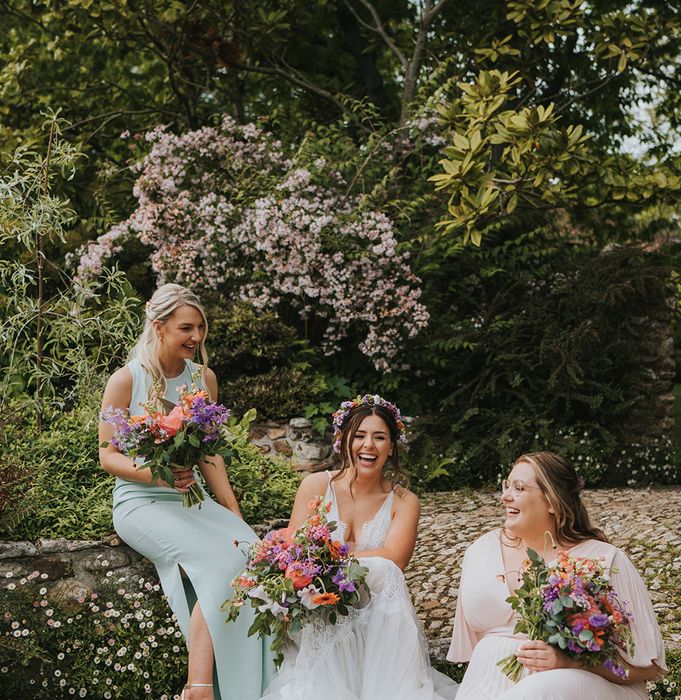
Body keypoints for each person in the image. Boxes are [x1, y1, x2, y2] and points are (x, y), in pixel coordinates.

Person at [98, 283, 273, 700]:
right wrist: (155, 475)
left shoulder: (203, 379)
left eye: (200, 328)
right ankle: (200, 687)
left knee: (250, 551)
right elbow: (108, 456)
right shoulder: (125, 380)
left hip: (193, 497)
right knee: (217, 564)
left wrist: (232, 509)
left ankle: (254, 683)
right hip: (140, 502)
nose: (196, 337)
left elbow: (209, 455)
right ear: (159, 327)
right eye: (186, 328)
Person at [260, 395, 457, 700]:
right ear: (343, 440)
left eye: (379, 437)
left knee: (386, 570)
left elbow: (394, 559)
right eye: (360, 435)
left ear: (392, 446)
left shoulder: (404, 502)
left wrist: (328, 559)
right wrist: (323, 567)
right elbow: (295, 554)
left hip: (376, 617)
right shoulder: (315, 485)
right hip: (320, 610)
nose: (369, 445)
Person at [447, 452, 666, 700]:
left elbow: (649, 667)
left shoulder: (604, 559)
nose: (505, 496)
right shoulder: (480, 552)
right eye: (506, 485)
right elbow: (473, 649)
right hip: (484, 685)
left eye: (519, 488)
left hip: (571, 687)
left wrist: (571, 663)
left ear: (552, 501)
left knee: (541, 691)